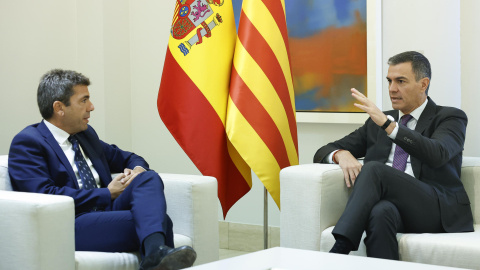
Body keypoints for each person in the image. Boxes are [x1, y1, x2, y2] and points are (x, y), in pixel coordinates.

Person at [8, 69, 196, 270]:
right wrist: (106, 193)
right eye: (84, 100)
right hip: (70, 221)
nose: (91, 107)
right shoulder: (29, 142)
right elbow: (44, 195)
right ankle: (154, 252)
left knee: (148, 178)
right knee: (161, 221)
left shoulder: (85, 135)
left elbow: (130, 158)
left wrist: (136, 170)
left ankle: (154, 255)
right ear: (59, 107)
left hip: (107, 211)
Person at [313, 51, 473, 260]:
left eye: (401, 81)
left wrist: (390, 127)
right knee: (380, 213)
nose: (392, 89)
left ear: (423, 84)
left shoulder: (449, 117)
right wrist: (341, 155)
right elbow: (322, 151)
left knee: (374, 169)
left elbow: (438, 154)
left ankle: (339, 250)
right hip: (395, 207)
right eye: (389, 81)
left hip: (436, 207)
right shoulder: (376, 122)